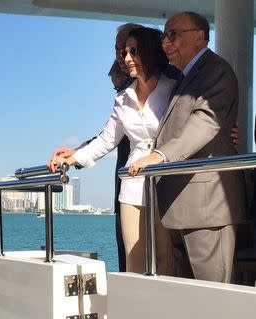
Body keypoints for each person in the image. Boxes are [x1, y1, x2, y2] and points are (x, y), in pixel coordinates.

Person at [128, 12, 246, 283]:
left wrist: (160, 155)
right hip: (184, 208)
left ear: (200, 36)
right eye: (163, 37)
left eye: (173, 34)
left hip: (208, 208)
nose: (166, 43)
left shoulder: (216, 71)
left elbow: (205, 122)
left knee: (213, 297)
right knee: (192, 299)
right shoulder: (185, 77)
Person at [49, 27, 176, 274]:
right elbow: (107, 140)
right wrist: (72, 157)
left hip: (168, 181)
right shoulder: (122, 98)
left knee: (166, 259)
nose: (126, 58)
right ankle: (135, 311)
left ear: (149, 52)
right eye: (124, 52)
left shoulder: (174, 89)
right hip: (132, 184)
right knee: (134, 260)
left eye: (133, 51)